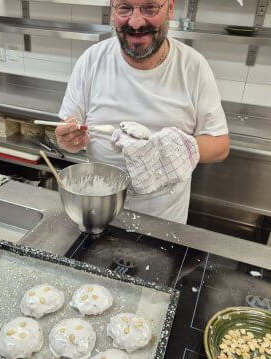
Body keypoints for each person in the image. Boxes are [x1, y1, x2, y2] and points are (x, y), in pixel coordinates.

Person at [55, 0, 229, 224]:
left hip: (163, 219)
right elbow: (67, 129)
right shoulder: (92, 60)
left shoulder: (192, 66)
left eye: (150, 7)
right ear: (112, 10)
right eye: (124, 8)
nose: (136, 22)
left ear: (170, 8)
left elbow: (220, 146)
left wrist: (166, 150)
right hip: (99, 211)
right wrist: (68, 139)